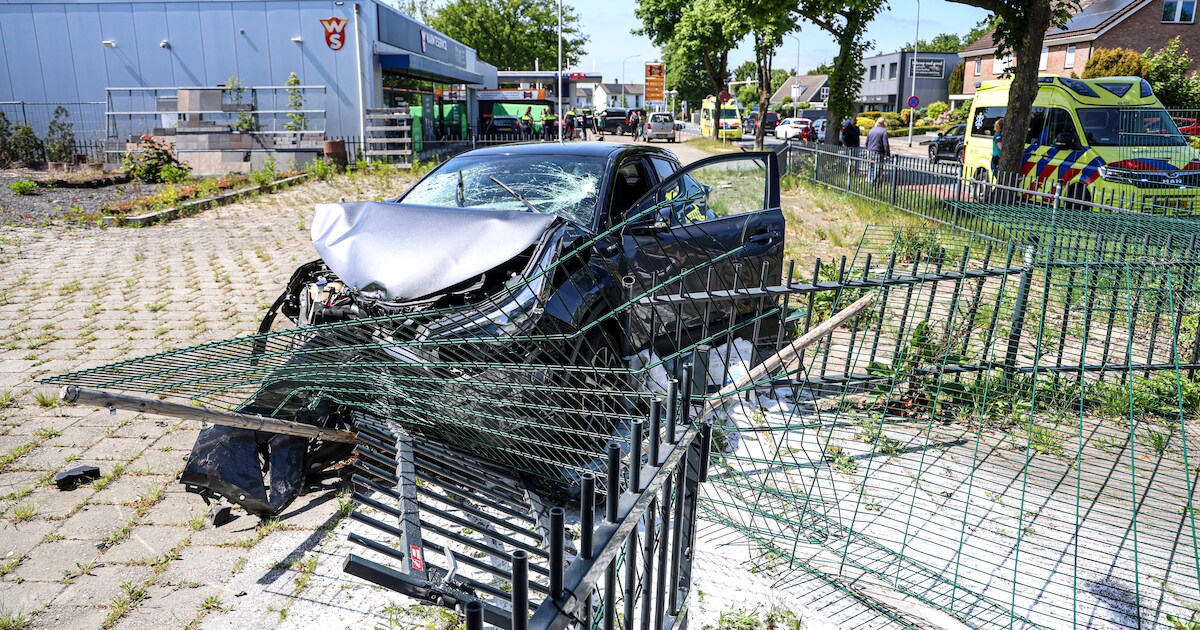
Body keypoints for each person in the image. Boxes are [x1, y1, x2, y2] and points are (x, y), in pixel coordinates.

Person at [865, 118, 891, 185]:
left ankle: (871, 180)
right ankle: (873, 182)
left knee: (871, 166)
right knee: (878, 167)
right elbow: (885, 144)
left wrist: (867, 149)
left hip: (870, 151)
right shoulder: (883, 131)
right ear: (883, 124)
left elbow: (866, 142)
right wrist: (887, 153)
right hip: (879, 152)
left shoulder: (871, 130)